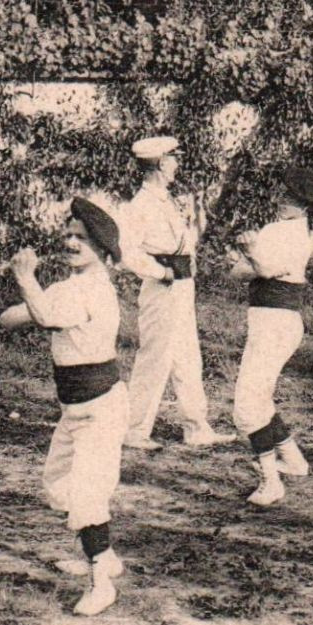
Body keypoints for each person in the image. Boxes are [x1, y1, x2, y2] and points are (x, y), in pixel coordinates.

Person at [0, 197, 129, 616]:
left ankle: (100, 582)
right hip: (74, 409)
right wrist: (20, 307)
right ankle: (103, 555)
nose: (71, 243)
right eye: (68, 235)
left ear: (104, 251)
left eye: (83, 239)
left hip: (101, 408)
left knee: (87, 495)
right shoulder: (66, 288)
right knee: (58, 484)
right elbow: (20, 316)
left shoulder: (93, 290)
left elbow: (50, 317)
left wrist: (25, 281)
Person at [227, 168, 313, 508]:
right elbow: (238, 272)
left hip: (275, 321)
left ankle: (271, 482)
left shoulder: (285, 234)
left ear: (304, 206)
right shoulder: (285, 232)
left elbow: (261, 270)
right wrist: (252, 260)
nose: (279, 199)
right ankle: (294, 460)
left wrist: (250, 252)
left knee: (246, 404)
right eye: (282, 193)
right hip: (273, 321)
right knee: (260, 395)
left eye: (289, 197)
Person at [120, 136, 227, 451]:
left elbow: (185, 243)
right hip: (163, 286)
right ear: (160, 163)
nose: (177, 164)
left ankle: (196, 427)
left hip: (182, 283)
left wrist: (197, 217)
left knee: (187, 357)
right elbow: (128, 252)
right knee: (156, 357)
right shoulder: (140, 205)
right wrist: (159, 271)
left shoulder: (167, 199)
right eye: (173, 159)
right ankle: (134, 429)